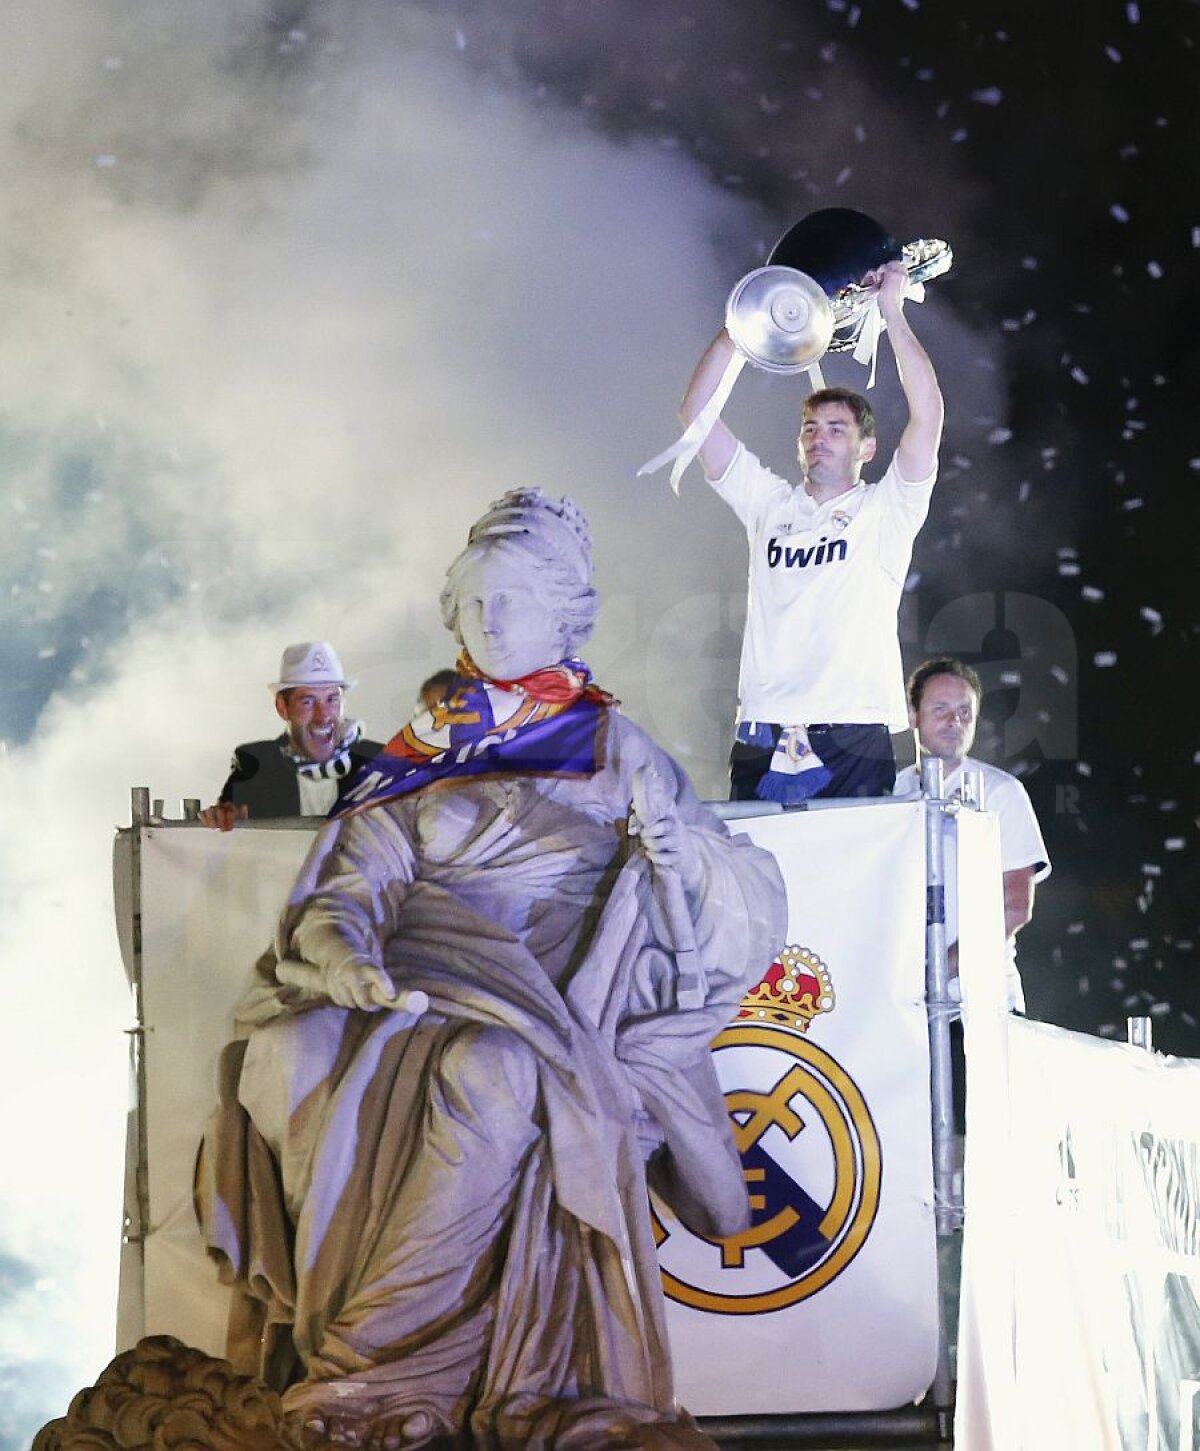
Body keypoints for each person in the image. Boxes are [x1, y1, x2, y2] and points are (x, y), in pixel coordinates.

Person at [197, 490, 786, 1451]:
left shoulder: (615, 747)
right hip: (415, 982)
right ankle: (344, 1341)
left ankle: (372, 1359)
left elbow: (739, 886)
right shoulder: (423, 747)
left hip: (554, 1000)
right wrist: (344, 956)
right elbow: (352, 880)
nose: (490, 619)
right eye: (473, 602)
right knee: (285, 1055)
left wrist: (687, 864)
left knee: (494, 1069)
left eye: (512, 598)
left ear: (565, 613)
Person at [676, 260, 944, 804]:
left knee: (851, 862)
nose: (819, 438)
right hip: (764, 730)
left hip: (855, 730)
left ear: (867, 448)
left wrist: (891, 311)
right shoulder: (769, 504)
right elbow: (695, 414)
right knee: (754, 862)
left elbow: (929, 416)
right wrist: (743, 327)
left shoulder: (885, 509)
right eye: (810, 429)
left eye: (837, 429)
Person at [894, 656, 1051, 1012]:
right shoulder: (893, 791)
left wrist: (937, 975)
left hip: (980, 1004)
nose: (954, 721)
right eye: (940, 709)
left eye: (965, 711)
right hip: (905, 1006)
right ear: (912, 715)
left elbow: (1015, 907)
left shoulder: (1000, 792)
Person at [199, 641, 382, 830]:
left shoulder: (381, 763)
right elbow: (230, 814)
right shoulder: (255, 764)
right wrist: (223, 816)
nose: (323, 716)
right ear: (282, 708)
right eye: (308, 702)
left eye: (332, 699)